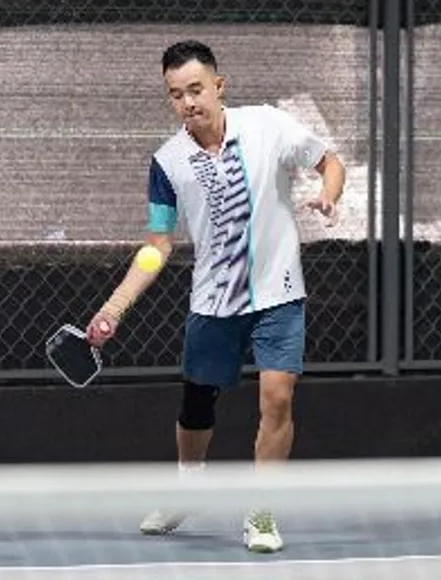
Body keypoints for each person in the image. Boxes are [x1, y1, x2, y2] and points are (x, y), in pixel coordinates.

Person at [86, 40, 345, 553]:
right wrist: (115, 305)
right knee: (197, 404)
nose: (188, 102)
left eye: (196, 89)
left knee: (278, 395)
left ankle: (262, 510)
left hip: (278, 293)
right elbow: (157, 245)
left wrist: (329, 195)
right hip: (213, 302)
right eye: (176, 94)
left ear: (218, 86)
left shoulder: (268, 125)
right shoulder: (167, 162)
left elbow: (329, 162)